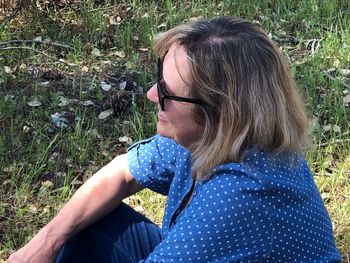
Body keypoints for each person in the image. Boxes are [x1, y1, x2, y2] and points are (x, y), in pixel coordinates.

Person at [8, 16, 341, 263]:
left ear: (220, 113)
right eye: (159, 78)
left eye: (168, 92)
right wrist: (46, 242)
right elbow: (123, 172)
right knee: (88, 224)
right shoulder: (217, 137)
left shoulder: (237, 197)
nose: (152, 95)